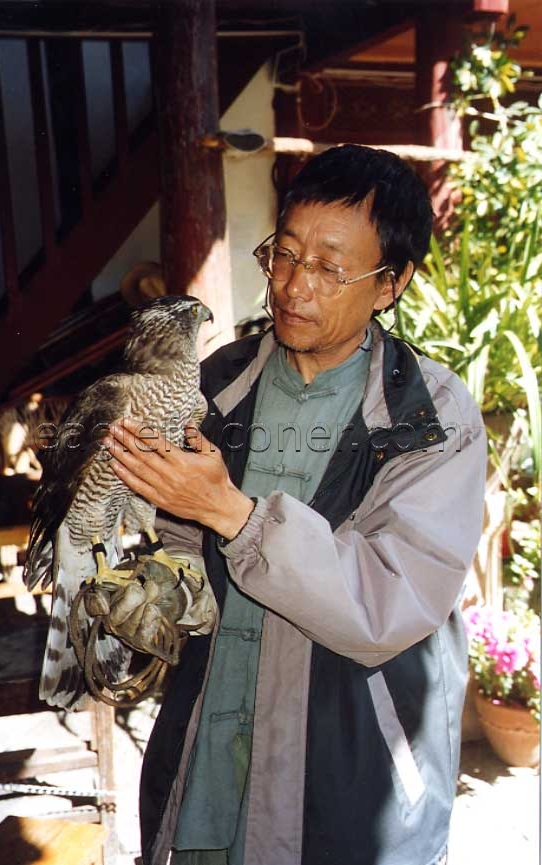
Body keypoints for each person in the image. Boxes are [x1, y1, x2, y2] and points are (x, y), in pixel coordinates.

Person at [107, 144, 487, 865]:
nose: (293, 286)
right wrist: (151, 587)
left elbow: (387, 600)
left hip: (347, 778)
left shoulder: (431, 413)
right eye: (283, 255)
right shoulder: (218, 382)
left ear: (390, 284)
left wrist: (236, 518)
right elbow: (181, 540)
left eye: (329, 268)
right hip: (208, 753)